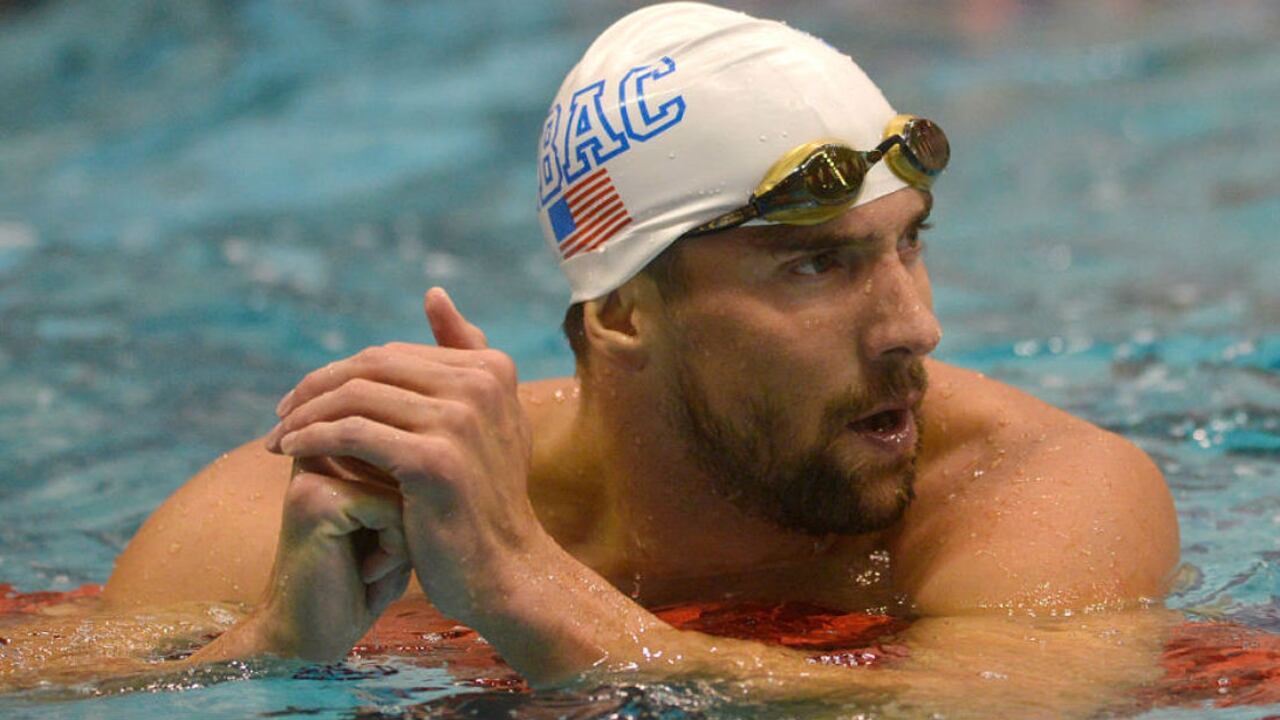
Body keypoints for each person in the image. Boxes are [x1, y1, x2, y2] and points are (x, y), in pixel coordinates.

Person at [7, 2, 1179, 710]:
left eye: (906, 244)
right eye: (814, 266)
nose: (912, 324)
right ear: (623, 313)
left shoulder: (1035, 492)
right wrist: (270, 653)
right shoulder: (315, 514)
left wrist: (539, 599)